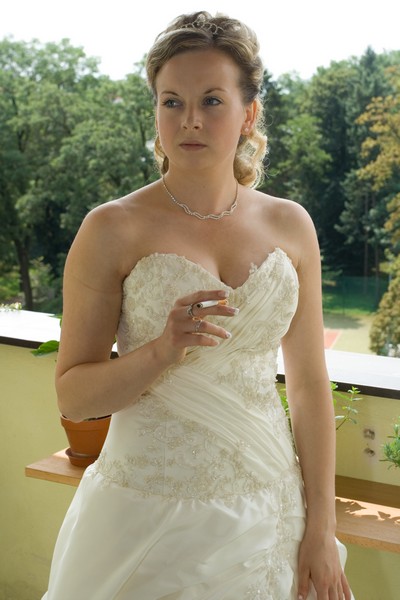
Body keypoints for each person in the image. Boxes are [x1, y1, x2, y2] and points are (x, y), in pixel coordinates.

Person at [42, 11, 353, 600]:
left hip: (273, 513)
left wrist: (321, 525)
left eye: (211, 100)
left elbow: (310, 385)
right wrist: (161, 351)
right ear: (156, 111)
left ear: (248, 114)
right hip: (146, 519)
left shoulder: (291, 224)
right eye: (171, 102)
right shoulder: (111, 228)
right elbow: (73, 397)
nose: (189, 119)